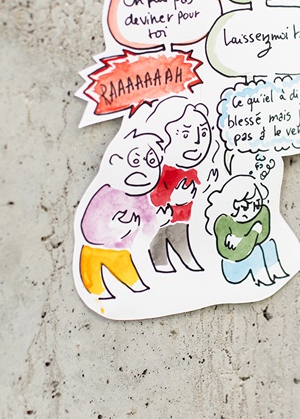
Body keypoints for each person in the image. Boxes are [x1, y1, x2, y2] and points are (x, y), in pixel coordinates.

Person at [79, 130, 171, 299]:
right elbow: (88, 228)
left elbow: (149, 225)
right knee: (95, 284)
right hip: (94, 250)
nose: (144, 170)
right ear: (115, 161)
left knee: (132, 279)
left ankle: (137, 291)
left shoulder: (142, 199)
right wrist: (116, 229)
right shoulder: (106, 195)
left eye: (152, 162)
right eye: (135, 161)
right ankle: (100, 292)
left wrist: (160, 220)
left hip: (121, 251)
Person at [147, 99, 212, 273]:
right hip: (164, 222)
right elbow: (152, 199)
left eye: (203, 133)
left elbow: (202, 192)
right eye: (185, 134)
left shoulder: (194, 170)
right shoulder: (160, 171)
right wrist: (174, 200)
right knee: (162, 246)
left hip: (186, 222)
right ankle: (162, 267)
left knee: (182, 244)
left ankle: (183, 264)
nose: (197, 141)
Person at [205, 175, 288, 287]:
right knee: (256, 251)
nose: (253, 210)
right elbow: (233, 253)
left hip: (250, 254)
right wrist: (253, 233)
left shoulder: (262, 211)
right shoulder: (224, 222)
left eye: (257, 204)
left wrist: (243, 239)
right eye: (245, 207)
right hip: (233, 268)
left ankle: (275, 273)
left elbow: (263, 235)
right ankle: (262, 278)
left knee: (269, 245)